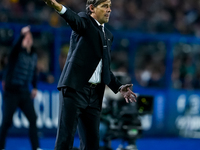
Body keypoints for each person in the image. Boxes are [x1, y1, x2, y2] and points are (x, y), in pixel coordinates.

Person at [43, 0, 137, 149]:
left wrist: (119, 87)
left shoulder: (108, 35)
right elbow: (73, 18)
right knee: (65, 140)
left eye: (110, 6)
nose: (109, 10)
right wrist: (57, 6)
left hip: (94, 95)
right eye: (105, 6)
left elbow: (104, 69)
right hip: (75, 89)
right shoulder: (85, 22)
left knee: (92, 143)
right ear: (92, 8)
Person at [0, 26, 41, 150]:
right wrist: (22, 35)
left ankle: (36, 147)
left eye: (30, 37)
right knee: (7, 122)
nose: (28, 39)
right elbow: (14, 49)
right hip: (11, 93)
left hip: (24, 92)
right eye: (25, 38)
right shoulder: (16, 53)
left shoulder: (34, 55)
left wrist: (34, 87)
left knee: (33, 118)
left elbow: (33, 73)